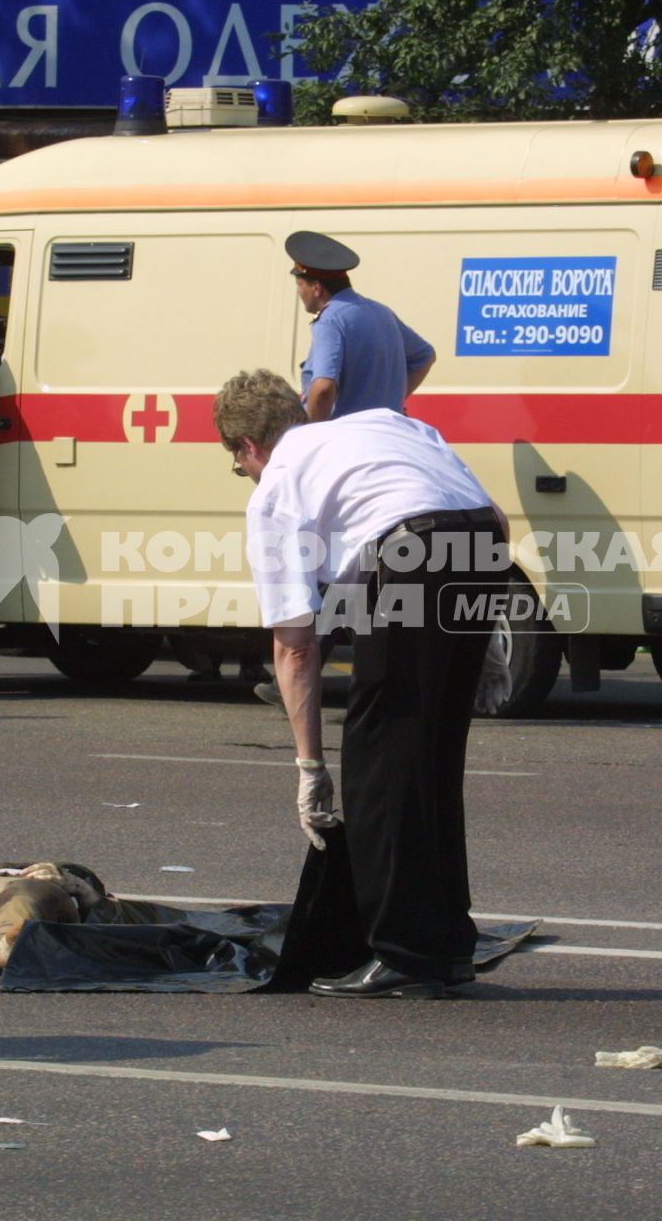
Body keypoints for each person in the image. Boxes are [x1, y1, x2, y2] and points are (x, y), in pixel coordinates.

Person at [216, 369, 505, 999]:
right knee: (431, 757)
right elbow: (493, 515)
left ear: (247, 448)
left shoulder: (276, 489)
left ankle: (406, 953)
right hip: (480, 544)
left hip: (409, 561)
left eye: (241, 465)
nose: (249, 476)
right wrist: (485, 635)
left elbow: (294, 648)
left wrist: (309, 766)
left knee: (379, 761)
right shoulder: (385, 423)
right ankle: (446, 944)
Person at [289, 231, 435, 422]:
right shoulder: (380, 311)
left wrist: (312, 433)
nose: (300, 293)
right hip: (387, 432)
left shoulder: (330, 321)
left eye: (300, 285)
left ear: (316, 288)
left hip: (349, 440)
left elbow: (324, 387)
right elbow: (425, 355)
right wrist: (389, 403)